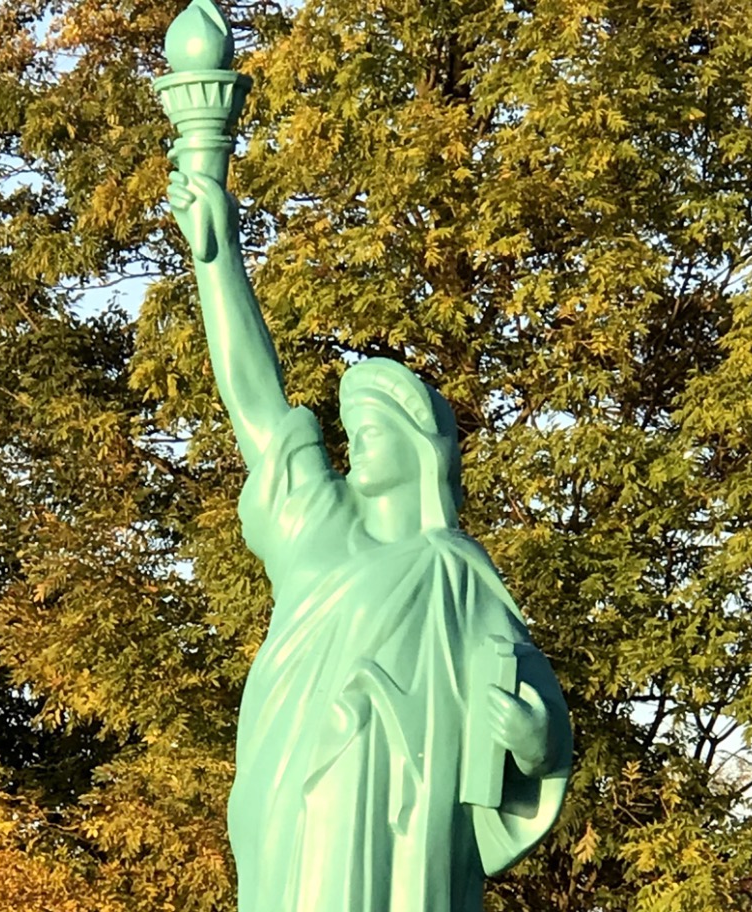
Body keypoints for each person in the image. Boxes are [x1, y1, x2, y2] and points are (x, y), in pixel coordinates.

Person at [167, 168, 572, 912]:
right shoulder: (318, 522)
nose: (355, 447)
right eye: (351, 433)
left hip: (412, 831)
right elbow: (255, 403)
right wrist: (217, 255)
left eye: (372, 432)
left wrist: (531, 738)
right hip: (298, 799)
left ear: (423, 451)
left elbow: (529, 705)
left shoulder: (455, 573)